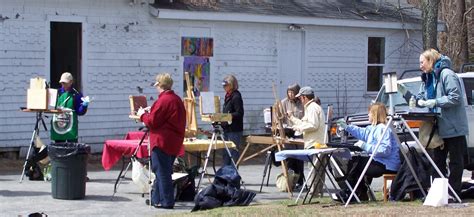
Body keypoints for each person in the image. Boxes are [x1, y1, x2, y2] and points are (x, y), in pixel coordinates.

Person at [398, 48, 468, 196]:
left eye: (422, 62)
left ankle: (453, 193)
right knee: (437, 162)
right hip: (438, 128)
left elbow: (455, 97)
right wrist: (406, 94)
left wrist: (434, 102)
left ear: (431, 60)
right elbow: (421, 99)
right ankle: (439, 193)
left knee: (456, 162)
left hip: (453, 126)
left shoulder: (446, 74)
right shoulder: (428, 77)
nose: (420, 66)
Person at [25, 72, 89, 180]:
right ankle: (58, 172)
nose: (63, 85)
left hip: (70, 126)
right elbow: (49, 106)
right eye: (62, 83)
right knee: (57, 149)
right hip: (58, 125)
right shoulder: (57, 93)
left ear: (71, 82)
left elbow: (80, 112)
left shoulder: (76, 95)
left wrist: (84, 105)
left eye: (65, 83)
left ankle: (74, 173)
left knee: (72, 149)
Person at [138, 73, 186, 209]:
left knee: (162, 172)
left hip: (162, 141)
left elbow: (152, 121)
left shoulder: (164, 100)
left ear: (160, 85)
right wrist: (151, 110)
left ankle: (167, 201)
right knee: (163, 171)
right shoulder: (176, 99)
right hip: (174, 141)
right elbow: (162, 116)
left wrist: (143, 115)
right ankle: (156, 199)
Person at [336, 103, 400, 200]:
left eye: (369, 113)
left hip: (387, 164)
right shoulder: (374, 127)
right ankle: (359, 193)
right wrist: (347, 127)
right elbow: (362, 132)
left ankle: (350, 192)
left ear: (375, 114)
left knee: (356, 163)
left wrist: (365, 146)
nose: (368, 115)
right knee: (356, 161)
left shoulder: (383, 129)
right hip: (380, 161)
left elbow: (384, 150)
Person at [288, 86, 326, 196]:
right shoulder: (310, 107)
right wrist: (292, 118)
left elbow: (313, 125)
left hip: (315, 143)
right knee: (317, 169)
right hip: (315, 143)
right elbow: (305, 123)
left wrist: (300, 128)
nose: (300, 100)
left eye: (300, 98)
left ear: (304, 97)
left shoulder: (313, 107)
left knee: (314, 169)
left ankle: (314, 193)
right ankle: (317, 192)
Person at [280, 83, 305, 188]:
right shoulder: (284, 102)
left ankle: (300, 180)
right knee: (290, 157)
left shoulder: (302, 103)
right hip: (288, 133)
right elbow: (279, 117)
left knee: (299, 157)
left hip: (299, 133)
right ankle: (290, 180)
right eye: (289, 92)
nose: (290, 94)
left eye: (292, 92)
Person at [221, 75, 244, 166]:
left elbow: (239, 113)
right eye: (223, 86)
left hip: (234, 130)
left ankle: (233, 176)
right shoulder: (228, 95)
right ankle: (225, 175)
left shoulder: (236, 96)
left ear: (231, 85)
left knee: (233, 153)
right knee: (226, 154)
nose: (224, 87)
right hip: (227, 129)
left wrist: (228, 116)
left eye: (225, 85)